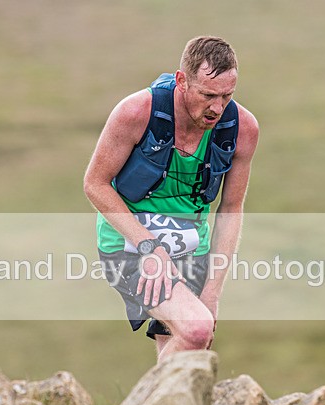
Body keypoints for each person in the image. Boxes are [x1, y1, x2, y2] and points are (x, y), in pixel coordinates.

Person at [83, 36, 259, 363]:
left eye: (226, 96)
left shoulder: (242, 129)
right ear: (181, 81)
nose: (217, 108)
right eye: (207, 95)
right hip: (131, 245)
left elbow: (231, 209)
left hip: (193, 249)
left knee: (185, 352)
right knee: (196, 329)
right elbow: (95, 183)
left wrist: (213, 291)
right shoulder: (137, 112)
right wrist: (150, 246)